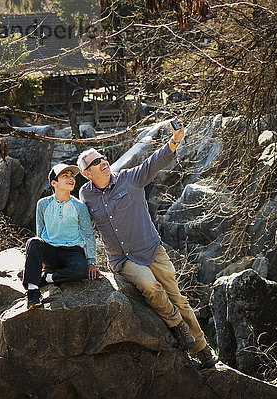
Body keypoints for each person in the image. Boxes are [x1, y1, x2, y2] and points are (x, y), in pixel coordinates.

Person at [77, 118, 218, 369]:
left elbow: (154, 161)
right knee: (150, 286)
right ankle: (177, 327)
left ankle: (203, 349)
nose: (103, 162)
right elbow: (82, 226)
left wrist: (175, 140)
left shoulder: (130, 178)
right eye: (96, 162)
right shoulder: (86, 195)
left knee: (179, 298)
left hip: (153, 250)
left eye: (103, 158)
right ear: (87, 173)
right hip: (123, 260)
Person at [23, 163, 98, 310]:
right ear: (54, 182)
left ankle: (46, 278)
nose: (71, 179)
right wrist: (39, 259)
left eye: (72, 176)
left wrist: (92, 261)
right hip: (50, 251)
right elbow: (41, 230)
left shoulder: (80, 207)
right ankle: (33, 292)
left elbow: (88, 234)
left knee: (81, 270)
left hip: (73, 252)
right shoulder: (43, 204)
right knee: (33, 242)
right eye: (65, 176)